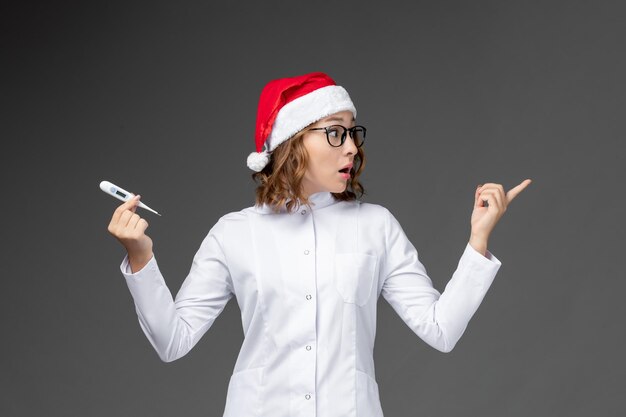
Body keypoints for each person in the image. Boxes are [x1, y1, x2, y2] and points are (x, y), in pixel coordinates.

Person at [107, 72, 532, 417]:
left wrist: (479, 238)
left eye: (353, 133)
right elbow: (172, 341)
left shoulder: (375, 226)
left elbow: (440, 330)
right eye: (335, 133)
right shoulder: (234, 233)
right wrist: (140, 256)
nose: (351, 148)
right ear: (293, 142)